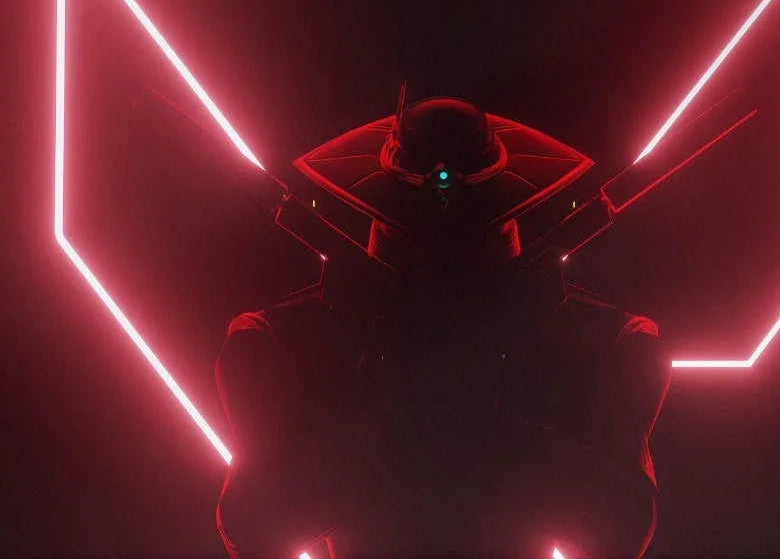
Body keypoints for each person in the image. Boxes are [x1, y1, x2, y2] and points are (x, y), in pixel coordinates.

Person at [215, 97, 671, 559]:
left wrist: (475, 419)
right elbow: (253, 523)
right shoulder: (276, 336)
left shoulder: (611, 339)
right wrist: (413, 417)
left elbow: (622, 524)